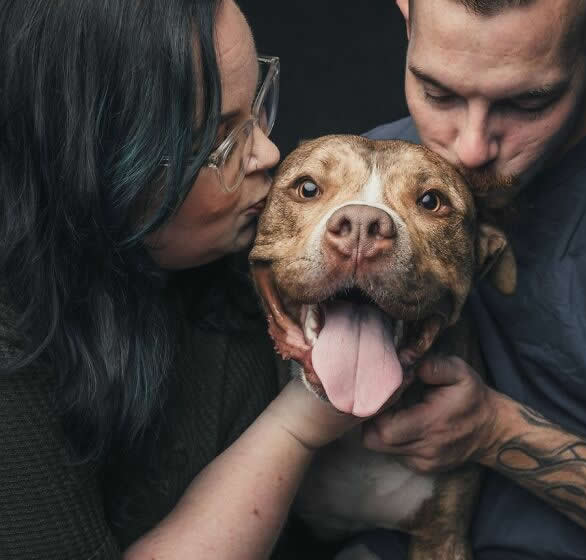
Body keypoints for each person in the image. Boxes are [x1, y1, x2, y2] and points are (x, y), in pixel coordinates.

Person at [0, 1, 365, 558]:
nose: (268, 152)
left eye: (258, 105)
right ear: (92, 164)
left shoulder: (228, 254)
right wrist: (301, 420)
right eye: (221, 140)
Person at [364, 0, 586, 558]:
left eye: (527, 102)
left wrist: (495, 432)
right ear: (407, 24)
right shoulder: (362, 174)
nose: (470, 149)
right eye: (438, 93)